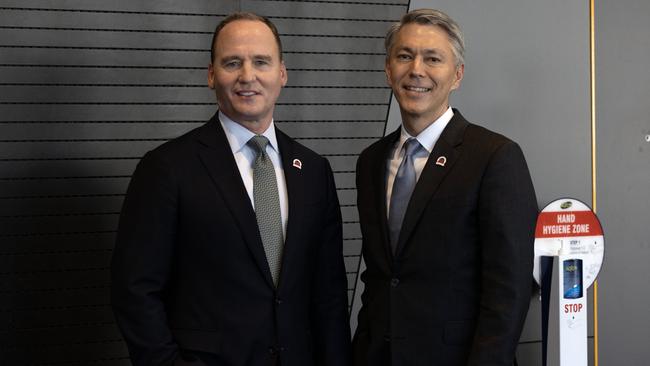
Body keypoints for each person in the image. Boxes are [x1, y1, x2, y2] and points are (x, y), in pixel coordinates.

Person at [111, 12, 351, 366]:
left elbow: (328, 294)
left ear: (282, 73)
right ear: (211, 75)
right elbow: (135, 290)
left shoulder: (314, 170)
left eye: (261, 62)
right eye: (232, 62)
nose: (247, 76)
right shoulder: (167, 168)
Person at [352, 9, 538, 366]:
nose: (416, 70)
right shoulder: (371, 161)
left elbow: (510, 290)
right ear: (388, 69)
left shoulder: (494, 156)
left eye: (432, 59)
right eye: (404, 56)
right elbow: (381, 278)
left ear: (457, 75)